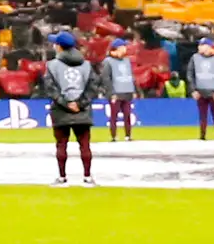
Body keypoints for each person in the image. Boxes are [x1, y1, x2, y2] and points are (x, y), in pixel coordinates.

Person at [37, 31, 104, 185]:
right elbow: (93, 86)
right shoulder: (86, 65)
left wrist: (65, 103)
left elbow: (50, 87)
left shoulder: (52, 65)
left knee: (61, 144)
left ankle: (62, 177)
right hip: (83, 110)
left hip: (61, 110)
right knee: (85, 145)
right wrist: (80, 103)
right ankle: (87, 176)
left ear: (59, 46)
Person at [185, 30, 214, 142]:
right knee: (202, 115)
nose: (199, 47)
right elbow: (190, 74)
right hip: (200, 91)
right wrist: (193, 89)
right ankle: (202, 136)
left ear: (208, 47)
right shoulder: (195, 58)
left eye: (202, 45)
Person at [98, 31, 141, 141]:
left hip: (127, 91)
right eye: (123, 47)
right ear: (116, 49)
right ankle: (114, 136)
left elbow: (131, 76)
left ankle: (128, 135)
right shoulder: (108, 61)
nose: (125, 49)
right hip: (116, 92)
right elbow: (105, 78)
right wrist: (111, 93)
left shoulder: (127, 61)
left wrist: (135, 90)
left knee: (127, 115)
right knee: (114, 116)